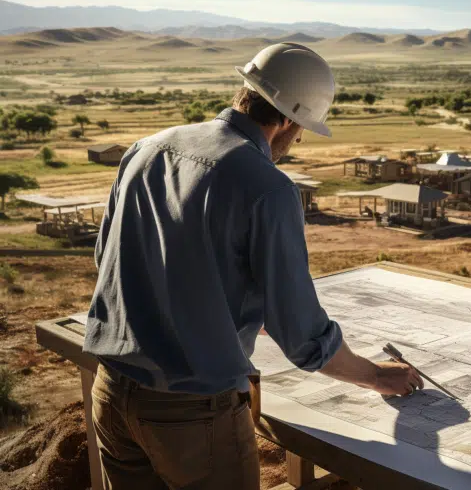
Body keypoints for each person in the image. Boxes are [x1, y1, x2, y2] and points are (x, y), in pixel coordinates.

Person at [83, 43, 423, 490]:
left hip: (109, 394)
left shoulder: (146, 150)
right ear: (287, 119)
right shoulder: (268, 188)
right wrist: (377, 375)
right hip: (192, 417)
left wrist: (229, 308)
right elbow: (302, 335)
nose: (298, 139)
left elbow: (109, 257)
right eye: (301, 128)